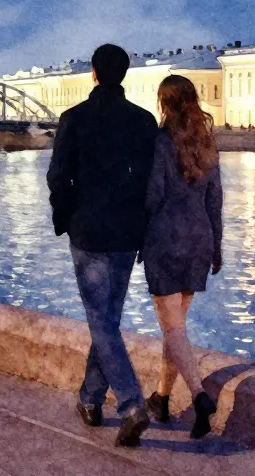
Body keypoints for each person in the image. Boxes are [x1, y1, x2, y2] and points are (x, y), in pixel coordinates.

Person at [47, 43, 157, 447]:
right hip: (127, 233)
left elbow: (58, 177)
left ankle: (131, 404)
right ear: (124, 74)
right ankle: (91, 399)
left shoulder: (74, 119)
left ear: (93, 73)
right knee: (107, 317)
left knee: (101, 319)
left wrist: (65, 219)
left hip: (89, 231)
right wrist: (144, 227)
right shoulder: (143, 122)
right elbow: (151, 183)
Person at [140, 75, 223, 438]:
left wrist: (137, 233)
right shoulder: (207, 142)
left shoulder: (159, 142)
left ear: (164, 103)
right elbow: (215, 200)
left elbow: (153, 196)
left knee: (172, 327)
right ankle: (160, 398)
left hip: (166, 240)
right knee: (175, 328)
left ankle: (200, 396)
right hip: (199, 240)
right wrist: (217, 247)